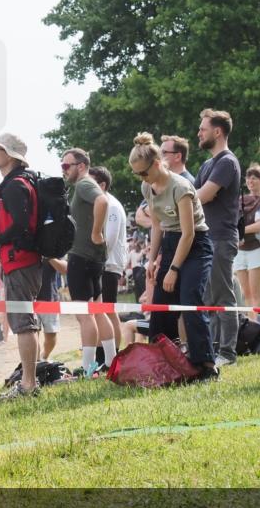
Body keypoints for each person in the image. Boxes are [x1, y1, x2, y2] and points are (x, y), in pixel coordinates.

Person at [131, 133, 217, 380]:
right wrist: (153, 259)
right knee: (160, 305)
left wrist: (174, 269)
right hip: (170, 243)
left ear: (157, 164)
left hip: (195, 245)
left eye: (143, 172)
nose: (141, 178)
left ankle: (206, 365)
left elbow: (188, 233)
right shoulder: (148, 187)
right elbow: (157, 225)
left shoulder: (181, 187)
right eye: (137, 174)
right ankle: (162, 361)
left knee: (190, 300)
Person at [0, 133, 43, 397]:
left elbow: (23, 228)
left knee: (23, 323)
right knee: (25, 321)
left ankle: (28, 384)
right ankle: (28, 380)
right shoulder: (20, 182)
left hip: (21, 261)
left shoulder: (15, 185)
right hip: (24, 260)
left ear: (10, 155)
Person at [195, 109, 242, 367]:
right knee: (209, 299)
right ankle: (212, 350)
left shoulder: (226, 162)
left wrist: (179, 199)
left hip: (222, 238)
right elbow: (194, 193)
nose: (199, 133)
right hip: (207, 239)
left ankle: (228, 354)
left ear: (217, 131)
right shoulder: (207, 164)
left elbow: (203, 195)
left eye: (203, 129)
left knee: (224, 296)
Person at [61, 148, 114, 376]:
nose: (63, 170)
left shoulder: (84, 184)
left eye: (66, 166)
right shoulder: (83, 185)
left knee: (85, 315)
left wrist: (95, 233)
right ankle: (112, 363)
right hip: (93, 257)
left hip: (82, 256)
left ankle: (88, 368)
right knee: (98, 311)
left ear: (80, 166)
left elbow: (102, 201)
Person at [90, 166, 127, 348]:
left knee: (108, 310)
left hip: (108, 264)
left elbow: (109, 240)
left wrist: (94, 260)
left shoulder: (110, 205)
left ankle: (114, 354)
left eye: (91, 183)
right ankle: (104, 353)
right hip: (104, 263)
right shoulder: (104, 202)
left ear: (102, 185)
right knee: (102, 310)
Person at [234, 164, 260, 316]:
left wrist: (240, 232)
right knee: (245, 293)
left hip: (257, 249)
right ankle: (250, 325)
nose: (251, 180)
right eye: (248, 177)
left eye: (255, 177)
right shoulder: (239, 200)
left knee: (256, 292)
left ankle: (258, 325)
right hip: (239, 251)